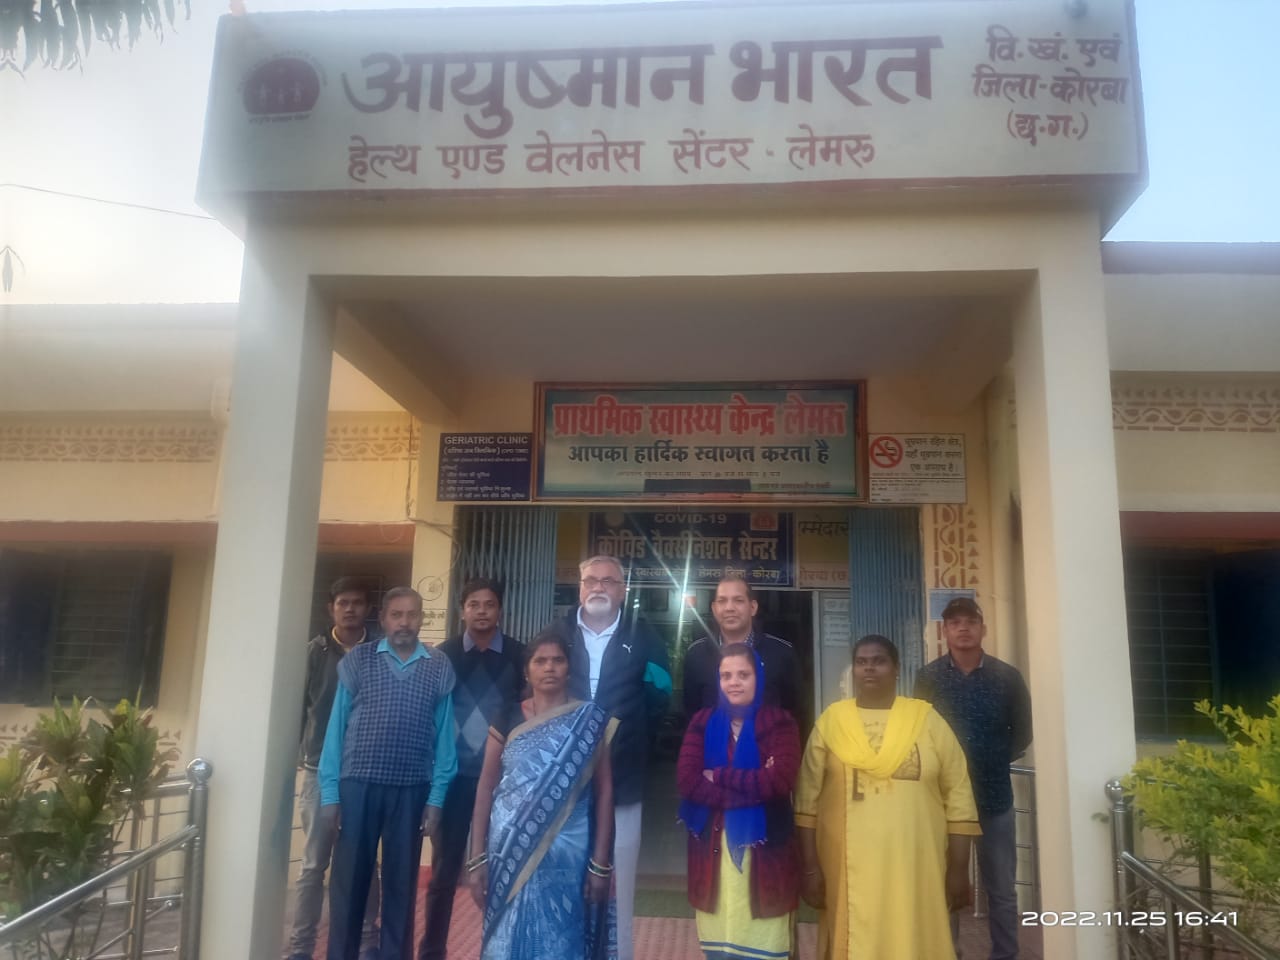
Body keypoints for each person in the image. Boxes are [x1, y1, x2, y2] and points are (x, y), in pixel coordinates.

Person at [796, 634, 980, 960]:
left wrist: (958, 867)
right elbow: (806, 801)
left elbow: (959, 794)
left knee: (914, 938)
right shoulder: (832, 722)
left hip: (916, 865)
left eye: (879, 661)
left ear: (896, 669)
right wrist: (810, 869)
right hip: (846, 867)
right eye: (861, 662)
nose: (869, 668)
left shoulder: (926, 720)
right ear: (853, 670)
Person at [319, 586, 457, 960]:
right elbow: (335, 731)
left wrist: (436, 800)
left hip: (411, 790)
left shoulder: (438, 666)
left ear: (421, 619)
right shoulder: (358, 661)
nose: (404, 622)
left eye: (412, 614)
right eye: (396, 615)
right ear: (383, 619)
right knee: (349, 887)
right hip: (357, 787)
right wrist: (330, 795)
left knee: (401, 887)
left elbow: (446, 742)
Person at [547, 555, 672, 960]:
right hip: (562, 783)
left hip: (623, 780)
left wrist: (628, 737)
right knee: (562, 879)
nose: (598, 587)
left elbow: (660, 696)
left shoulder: (646, 637)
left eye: (608, 581)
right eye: (591, 580)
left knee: (619, 882)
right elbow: (535, 696)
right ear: (580, 587)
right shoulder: (556, 634)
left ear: (623, 590)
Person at [467, 630, 617, 960]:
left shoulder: (589, 721)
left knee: (562, 940)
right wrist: (477, 858)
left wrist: (600, 863)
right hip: (509, 851)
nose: (549, 667)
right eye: (540, 661)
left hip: (569, 855)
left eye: (558, 660)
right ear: (527, 671)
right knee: (507, 939)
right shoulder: (507, 716)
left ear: (569, 668)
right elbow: (486, 786)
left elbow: (605, 791)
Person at [914, 597, 1033, 960]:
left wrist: (992, 758)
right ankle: (947, 953)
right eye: (955, 622)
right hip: (943, 802)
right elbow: (918, 731)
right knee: (946, 886)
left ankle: (1005, 954)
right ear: (945, 631)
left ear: (983, 629)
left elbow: (1023, 732)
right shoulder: (928, 677)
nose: (963, 628)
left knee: (1002, 889)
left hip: (994, 798)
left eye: (970, 621)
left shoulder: (1007, 677)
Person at [417, 578, 525, 960]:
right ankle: (432, 950)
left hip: (502, 783)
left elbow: (527, 712)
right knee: (444, 873)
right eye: (474, 604)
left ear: (500, 611)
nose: (481, 611)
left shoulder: (519, 656)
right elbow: (428, 713)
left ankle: (503, 950)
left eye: (489, 604)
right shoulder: (442, 656)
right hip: (454, 779)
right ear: (462, 610)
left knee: (505, 870)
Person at [677, 642, 801, 960]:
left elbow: (780, 781)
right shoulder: (702, 722)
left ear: (758, 677)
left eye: (743, 675)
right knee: (719, 947)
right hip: (711, 857)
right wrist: (754, 786)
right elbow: (688, 780)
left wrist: (719, 775)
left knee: (765, 948)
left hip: (766, 861)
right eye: (726, 675)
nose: (734, 682)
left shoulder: (781, 724)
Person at [286, 576, 379, 960]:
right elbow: (295, 710)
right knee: (313, 865)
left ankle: (367, 941)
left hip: (364, 772)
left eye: (357, 602)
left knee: (364, 861)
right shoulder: (314, 652)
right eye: (343, 602)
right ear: (331, 608)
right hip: (317, 771)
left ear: (367, 609)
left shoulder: (379, 653)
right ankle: (301, 946)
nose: (350, 608)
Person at [682, 576, 806, 732]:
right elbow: (691, 714)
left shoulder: (781, 653)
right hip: (711, 745)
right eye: (722, 601)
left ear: (753, 607)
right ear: (714, 609)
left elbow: (795, 713)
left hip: (768, 746)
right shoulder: (696, 655)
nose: (729, 608)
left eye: (738, 600)